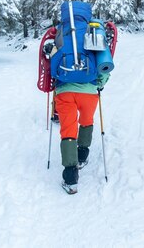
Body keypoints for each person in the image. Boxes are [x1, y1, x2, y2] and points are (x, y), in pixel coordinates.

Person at [46, 26, 110, 194]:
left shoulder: (62, 35)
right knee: (86, 121)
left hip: (65, 92)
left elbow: (51, 64)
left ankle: (71, 179)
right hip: (89, 92)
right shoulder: (94, 34)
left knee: (68, 129)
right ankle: (82, 156)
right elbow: (104, 64)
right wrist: (100, 84)